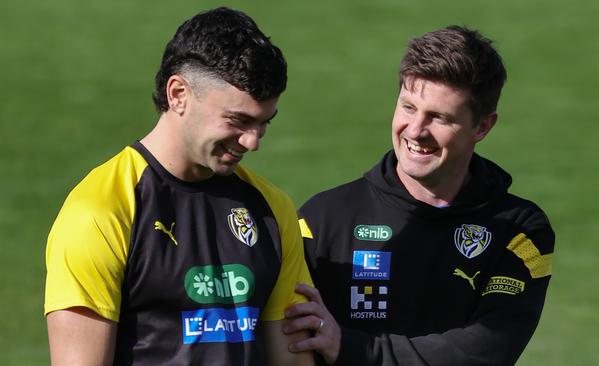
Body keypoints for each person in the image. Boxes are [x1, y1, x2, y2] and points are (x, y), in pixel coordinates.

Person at [44, 7, 314, 366]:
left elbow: (292, 360)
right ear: (178, 94)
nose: (252, 142)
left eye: (264, 123)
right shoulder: (100, 211)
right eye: (238, 120)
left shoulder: (272, 209)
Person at [283, 25, 555, 365]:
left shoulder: (518, 232)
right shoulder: (322, 218)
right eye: (408, 107)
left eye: (438, 117)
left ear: (482, 127)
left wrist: (354, 349)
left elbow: (486, 352)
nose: (415, 131)